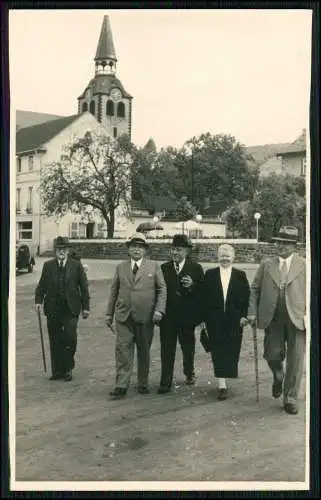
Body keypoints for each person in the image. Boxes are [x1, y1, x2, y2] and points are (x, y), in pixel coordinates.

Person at [247, 228, 306, 415]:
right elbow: (255, 288)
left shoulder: (305, 264)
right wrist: (252, 312)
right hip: (272, 318)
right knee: (272, 354)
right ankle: (278, 375)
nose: (280, 245)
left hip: (297, 318)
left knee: (296, 360)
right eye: (278, 242)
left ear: (294, 246)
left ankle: (290, 397)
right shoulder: (266, 265)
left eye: (285, 243)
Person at [106, 232, 167, 398]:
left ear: (145, 250)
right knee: (122, 351)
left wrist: (159, 310)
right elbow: (113, 291)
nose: (137, 250)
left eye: (140, 247)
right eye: (134, 246)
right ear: (128, 249)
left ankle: (142, 383)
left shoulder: (154, 266)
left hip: (146, 317)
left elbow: (162, 289)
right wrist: (108, 314)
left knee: (143, 351)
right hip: (123, 316)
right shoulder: (120, 267)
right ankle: (121, 385)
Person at [35, 236, 90, 381]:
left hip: (71, 308)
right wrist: (38, 301)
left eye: (64, 249)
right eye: (59, 249)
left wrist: (86, 307)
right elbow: (41, 286)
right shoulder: (48, 266)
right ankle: (57, 371)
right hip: (53, 308)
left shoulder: (76, 265)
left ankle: (68, 368)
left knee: (70, 337)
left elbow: (84, 287)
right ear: (55, 251)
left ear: (68, 250)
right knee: (55, 339)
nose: (61, 252)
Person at [201, 244, 250, 400]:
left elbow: (247, 298)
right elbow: (203, 298)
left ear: (233, 257)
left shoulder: (240, 275)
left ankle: (227, 375)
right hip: (214, 319)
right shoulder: (210, 274)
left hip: (235, 320)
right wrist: (202, 319)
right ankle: (222, 383)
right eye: (222, 255)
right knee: (217, 349)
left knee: (232, 348)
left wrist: (244, 316)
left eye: (228, 255)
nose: (225, 258)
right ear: (218, 256)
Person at [158, 234, 204, 394]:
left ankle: (189, 371)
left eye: (179, 249)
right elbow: (158, 291)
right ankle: (165, 380)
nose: (175, 253)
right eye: (173, 249)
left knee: (188, 348)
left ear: (187, 251)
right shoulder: (163, 268)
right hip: (168, 318)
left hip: (187, 318)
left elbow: (203, 294)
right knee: (167, 348)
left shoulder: (196, 268)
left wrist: (193, 285)